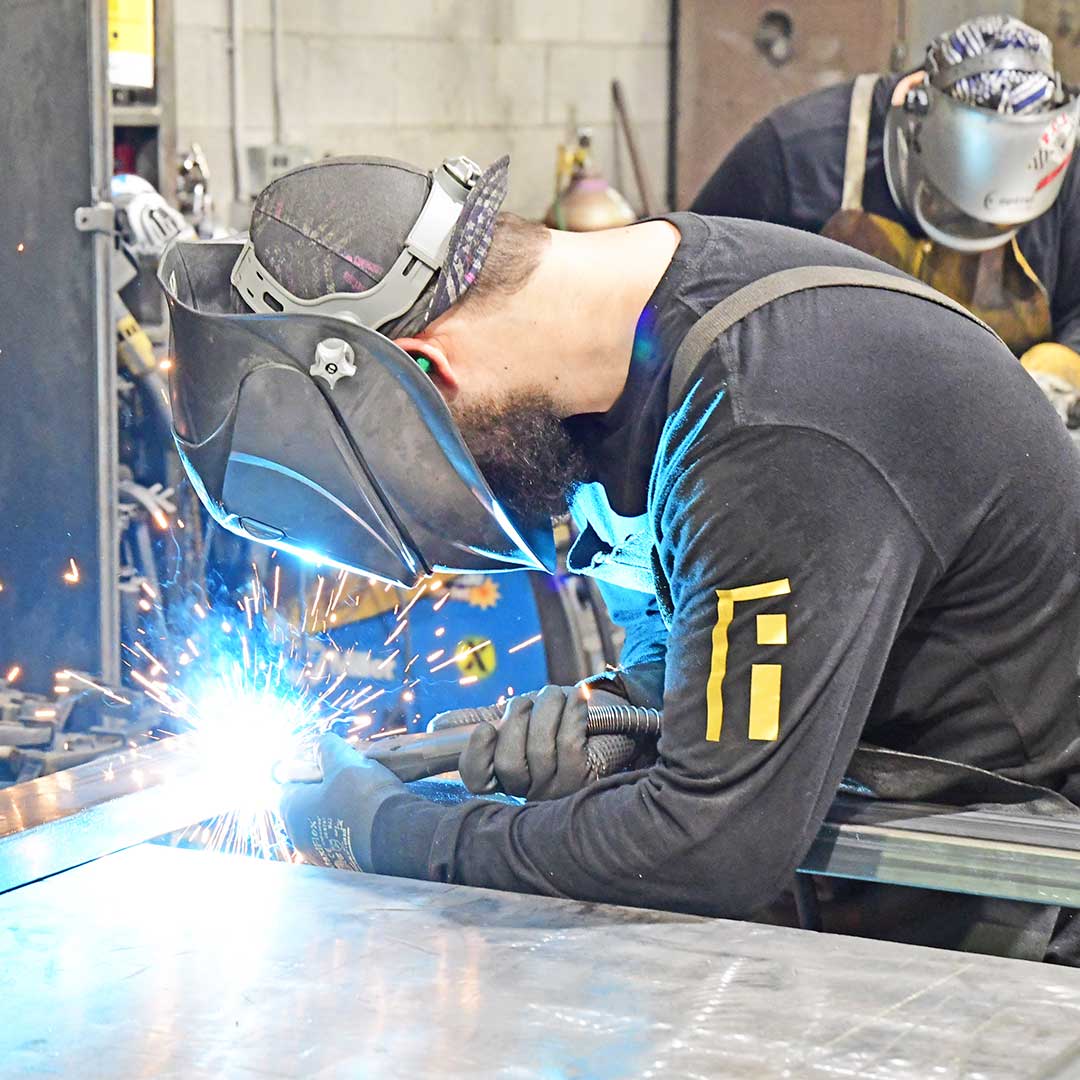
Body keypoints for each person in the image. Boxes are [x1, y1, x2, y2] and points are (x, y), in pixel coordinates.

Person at [161, 151, 1080, 960]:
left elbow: (716, 842)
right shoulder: (642, 336)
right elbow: (741, 603)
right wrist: (623, 707)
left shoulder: (774, 418)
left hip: (1014, 915)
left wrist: (395, 833)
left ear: (428, 367)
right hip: (885, 862)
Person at [692, 14, 1080, 423]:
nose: (977, 230)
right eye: (955, 205)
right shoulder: (795, 155)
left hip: (996, 436)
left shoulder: (1058, 155)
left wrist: (1049, 377)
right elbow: (692, 299)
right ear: (915, 128)